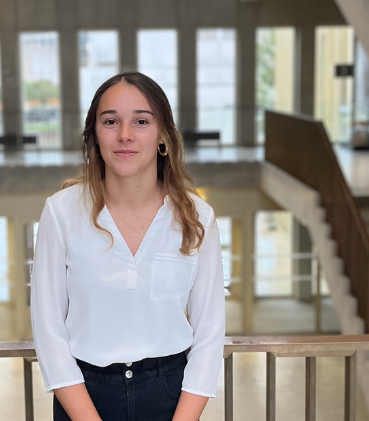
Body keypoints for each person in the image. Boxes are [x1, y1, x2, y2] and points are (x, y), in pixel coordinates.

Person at [30, 71, 225, 421]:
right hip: (83, 398)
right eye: (110, 121)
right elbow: (48, 330)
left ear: (163, 136)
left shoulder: (198, 218)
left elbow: (209, 334)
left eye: (141, 121)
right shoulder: (61, 212)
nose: (125, 135)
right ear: (94, 136)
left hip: (170, 398)